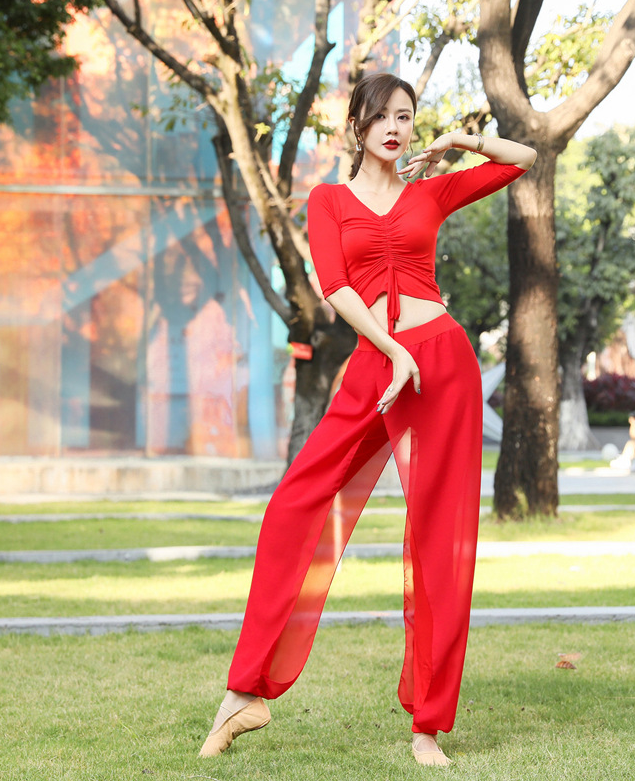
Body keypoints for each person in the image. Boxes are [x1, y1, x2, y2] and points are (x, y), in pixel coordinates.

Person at [198, 73, 537, 767]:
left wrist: (460, 139)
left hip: (441, 365)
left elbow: (522, 159)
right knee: (293, 506)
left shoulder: (430, 193)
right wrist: (392, 351)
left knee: (438, 538)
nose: (394, 128)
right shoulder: (328, 201)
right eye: (380, 116)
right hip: (376, 364)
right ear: (356, 126)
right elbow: (335, 286)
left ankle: (427, 726)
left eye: (405, 117)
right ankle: (244, 692)